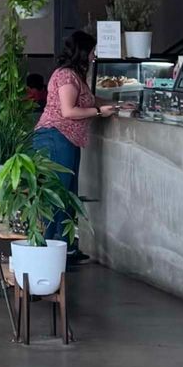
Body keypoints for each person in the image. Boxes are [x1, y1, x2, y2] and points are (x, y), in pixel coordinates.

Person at [34, 31, 114, 233]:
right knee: (58, 195)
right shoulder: (66, 75)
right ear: (83, 51)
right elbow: (68, 111)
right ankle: (51, 247)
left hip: (66, 139)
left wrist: (118, 105)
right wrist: (98, 112)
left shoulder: (76, 76)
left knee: (68, 194)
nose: (94, 56)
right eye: (92, 51)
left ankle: (64, 247)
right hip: (55, 137)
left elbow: (91, 100)